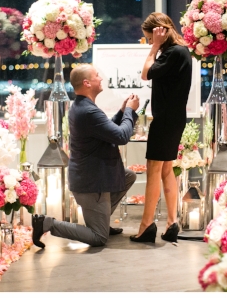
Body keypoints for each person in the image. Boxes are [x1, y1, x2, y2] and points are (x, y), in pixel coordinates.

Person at [32, 64, 140, 248]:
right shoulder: (88, 111)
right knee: (98, 238)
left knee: (128, 175)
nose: (101, 78)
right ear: (87, 82)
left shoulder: (84, 106)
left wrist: (122, 112)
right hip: (91, 181)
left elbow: (108, 130)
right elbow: (121, 136)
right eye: (97, 75)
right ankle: (47, 224)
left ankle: (102, 221)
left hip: (90, 175)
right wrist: (130, 111)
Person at [130, 12, 192, 243]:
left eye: (149, 37)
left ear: (159, 31)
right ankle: (172, 222)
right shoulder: (181, 51)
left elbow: (146, 74)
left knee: (154, 170)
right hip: (174, 119)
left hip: (165, 120)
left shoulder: (172, 52)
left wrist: (153, 47)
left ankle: (146, 225)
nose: (148, 41)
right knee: (167, 170)